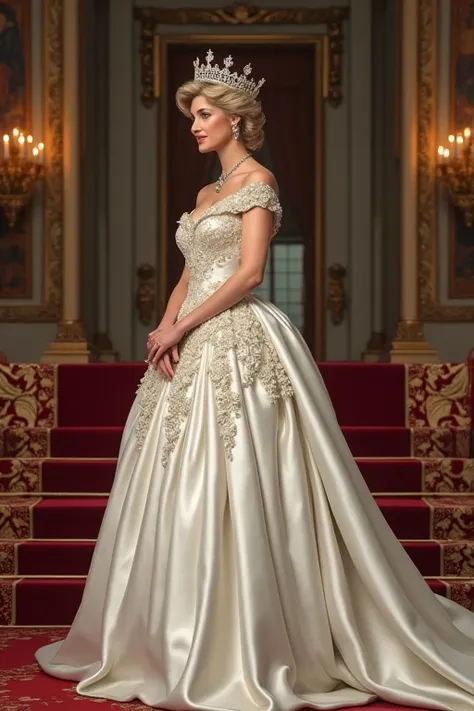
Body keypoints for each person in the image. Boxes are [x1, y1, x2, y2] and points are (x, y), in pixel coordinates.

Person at [35, 50, 474, 711]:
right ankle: (163, 634)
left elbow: (247, 275)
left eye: (203, 114)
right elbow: (188, 269)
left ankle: (254, 635)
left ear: (235, 119)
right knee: (171, 473)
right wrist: (163, 327)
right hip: (187, 338)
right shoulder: (205, 193)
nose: (193, 125)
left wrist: (185, 328)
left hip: (242, 338)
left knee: (242, 472)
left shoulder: (259, 183)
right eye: (191, 115)